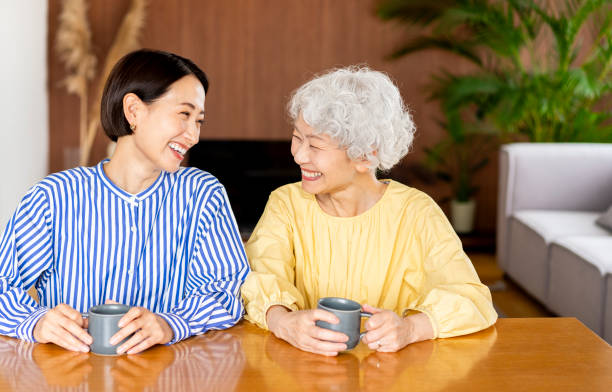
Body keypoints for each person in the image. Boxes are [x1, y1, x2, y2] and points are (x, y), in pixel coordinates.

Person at [0, 49, 250, 354]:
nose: (193, 135)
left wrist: (172, 323)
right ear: (133, 110)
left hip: (169, 375)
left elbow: (226, 290)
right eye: (184, 115)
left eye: (199, 121)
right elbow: (3, 286)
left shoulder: (201, 194)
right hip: (72, 376)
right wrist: (37, 322)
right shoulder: (54, 197)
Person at [241, 66, 497, 356]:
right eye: (297, 137)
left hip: (394, 373)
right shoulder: (286, 203)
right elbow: (259, 277)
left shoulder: (417, 213)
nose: (299, 155)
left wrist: (412, 329)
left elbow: (471, 299)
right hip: (302, 367)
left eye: (315, 145)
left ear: (366, 155)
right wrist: (283, 321)